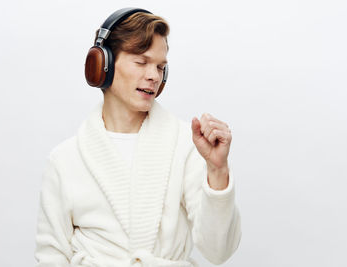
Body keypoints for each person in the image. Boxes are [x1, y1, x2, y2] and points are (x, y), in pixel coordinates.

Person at [34, 7, 241, 267]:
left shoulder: (187, 146)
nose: (154, 76)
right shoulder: (65, 160)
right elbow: (50, 256)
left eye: (160, 67)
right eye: (141, 62)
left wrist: (217, 170)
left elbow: (218, 251)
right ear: (103, 65)